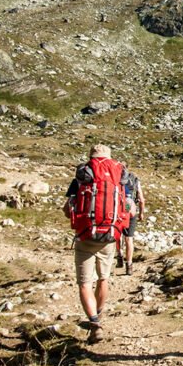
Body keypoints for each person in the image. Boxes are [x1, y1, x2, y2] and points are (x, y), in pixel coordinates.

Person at [63, 144, 133, 344]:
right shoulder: (120, 175)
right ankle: (98, 315)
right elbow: (130, 207)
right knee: (104, 278)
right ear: (110, 157)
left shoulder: (82, 174)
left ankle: (94, 322)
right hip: (110, 234)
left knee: (85, 283)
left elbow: (68, 208)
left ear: (91, 157)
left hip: (86, 235)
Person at [118, 169, 144, 275]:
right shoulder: (135, 180)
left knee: (118, 234)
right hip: (130, 210)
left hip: (119, 210)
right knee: (129, 239)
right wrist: (141, 213)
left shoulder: (116, 180)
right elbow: (141, 199)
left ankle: (119, 254)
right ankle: (129, 265)